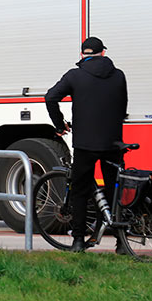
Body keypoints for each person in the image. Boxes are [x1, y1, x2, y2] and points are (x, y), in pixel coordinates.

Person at [45, 36, 128, 253]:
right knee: (115, 189)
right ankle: (121, 244)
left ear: (82, 54)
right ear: (103, 53)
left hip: (85, 144)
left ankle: (79, 241)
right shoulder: (119, 76)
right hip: (113, 143)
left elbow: (50, 97)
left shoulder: (75, 76)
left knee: (80, 192)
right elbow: (122, 107)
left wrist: (59, 124)